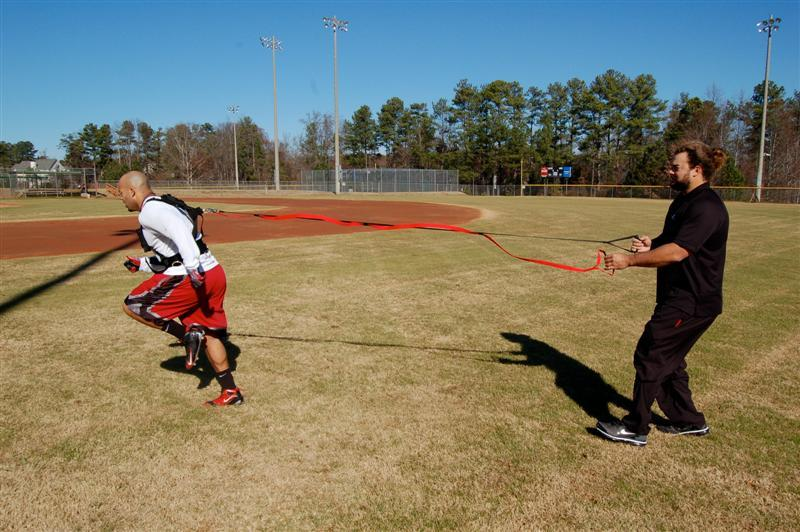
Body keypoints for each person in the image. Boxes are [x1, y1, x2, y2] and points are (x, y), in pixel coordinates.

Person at [596, 140, 728, 446]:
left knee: (652, 353)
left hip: (693, 302)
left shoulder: (707, 206)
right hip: (676, 297)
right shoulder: (682, 201)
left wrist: (628, 260)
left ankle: (635, 427)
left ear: (696, 170)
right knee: (670, 362)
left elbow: (679, 251)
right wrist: (650, 244)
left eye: (675, 167)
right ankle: (689, 421)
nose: (668, 171)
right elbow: (669, 242)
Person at [117, 171, 243, 407]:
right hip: (214, 272)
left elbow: (180, 234)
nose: (122, 199)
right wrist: (142, 264)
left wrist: (193, 268)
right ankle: (231, 391)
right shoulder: (166, 205)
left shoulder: (151, 212)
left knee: (132, 305)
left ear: (132, 191)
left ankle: (185, 336)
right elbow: (171, 255)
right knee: (210, 335)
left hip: (192, 276)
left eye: (122, 194)